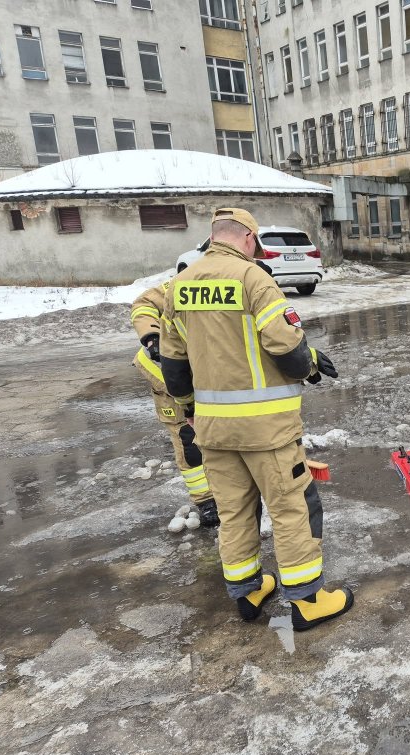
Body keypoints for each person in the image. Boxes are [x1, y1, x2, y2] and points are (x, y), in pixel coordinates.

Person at [159, 208, 354, 632]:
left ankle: (247, 592)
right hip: (266, 430)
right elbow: (286, 349)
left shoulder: (180, 285)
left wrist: (191, 411)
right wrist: (311, 364)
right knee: (293, 509)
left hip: (213, 430)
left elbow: (173, 366)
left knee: (235, 511)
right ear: (249, 238)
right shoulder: (253, 279)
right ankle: (308, 600)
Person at [130, 282, 219, 527]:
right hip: (161, 366)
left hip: (201, 369)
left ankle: (228, 491)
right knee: (189, 442)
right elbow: (143, 305)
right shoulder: (183, 282)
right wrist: (151, 337)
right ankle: (206, 501)